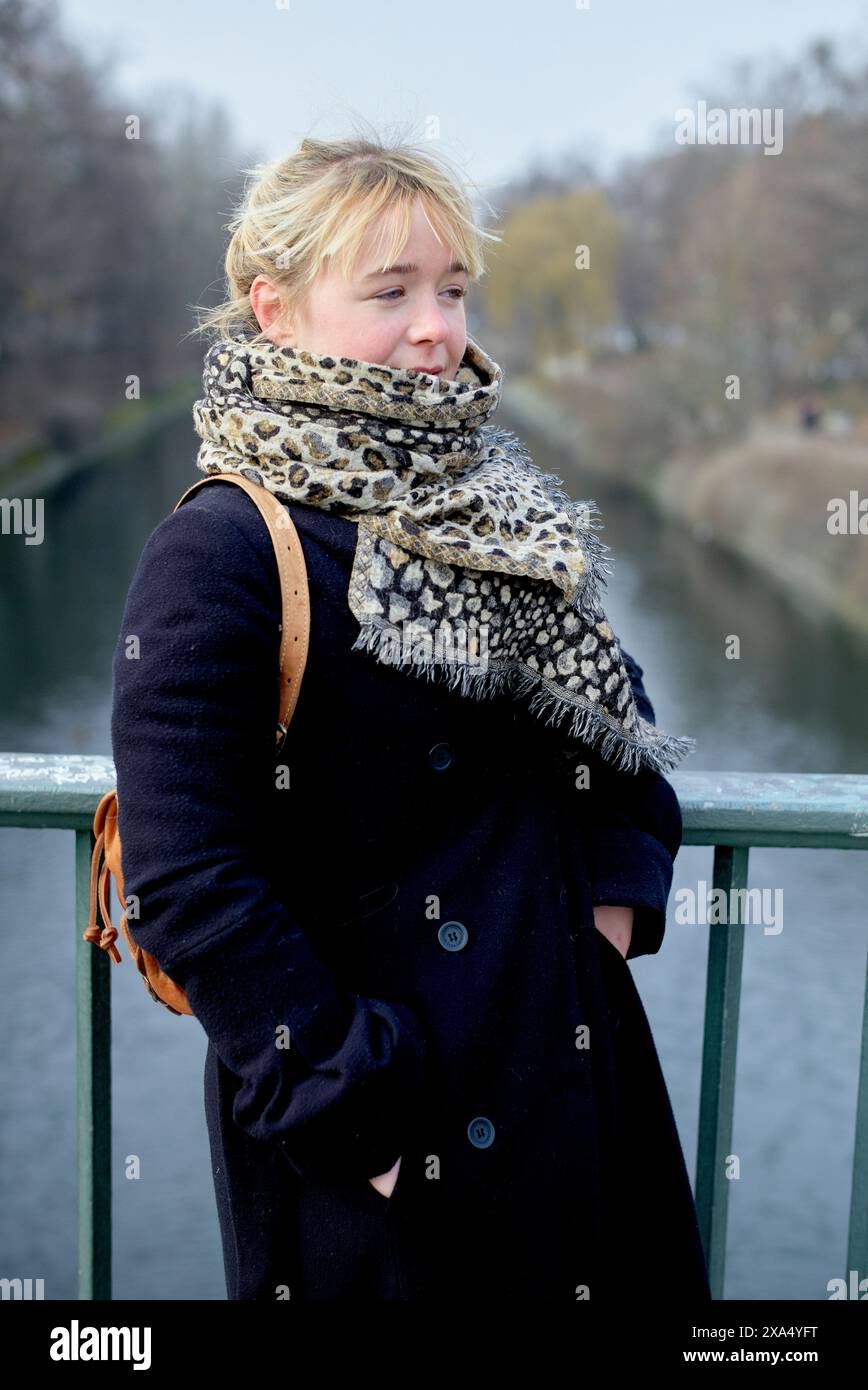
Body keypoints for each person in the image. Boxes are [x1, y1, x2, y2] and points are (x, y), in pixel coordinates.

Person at [111, 129, 711, 1302]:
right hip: (381, 1133)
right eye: (389, 292)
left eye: (450, 288)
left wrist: (609, 908)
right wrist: (352, 1104)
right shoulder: (223, 547)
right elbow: (186, 874)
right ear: (273, 309)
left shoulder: (499, 505)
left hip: (566, 1063)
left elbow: (611, 729)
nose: (437, 327)